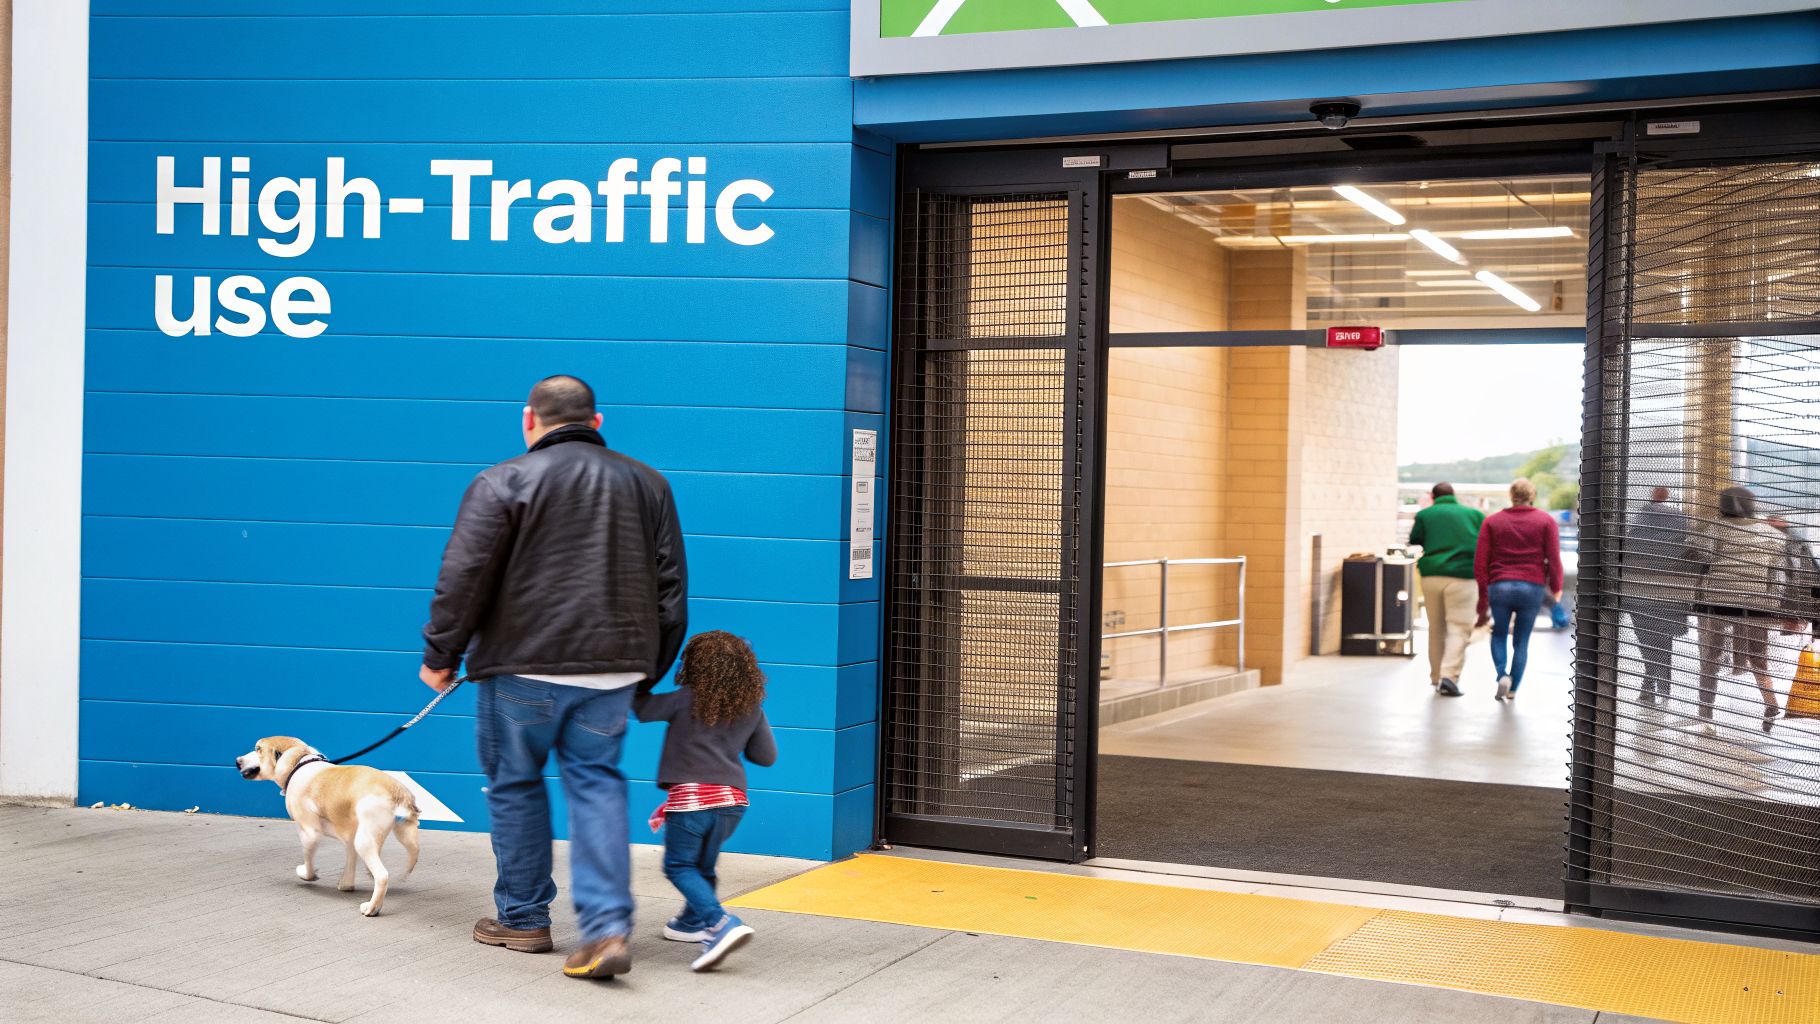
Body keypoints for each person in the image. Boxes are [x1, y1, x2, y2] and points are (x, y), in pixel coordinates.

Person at [420, 375, 688, 980]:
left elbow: (464, 575)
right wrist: (647, 672)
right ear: (596, 422)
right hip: (613, 671)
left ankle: (522, 919)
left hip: (521, 666)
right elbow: (670, 586)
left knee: (516, 786)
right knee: (597, 788)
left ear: (529, 420)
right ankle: (606, 929)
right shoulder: (649, 483)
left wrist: (442, 654)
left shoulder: (502, 480)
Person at [634, 631, 777, 972]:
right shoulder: (751, 708)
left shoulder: (684, 699)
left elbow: (639, 708)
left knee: (679, 866)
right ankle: (690, 922)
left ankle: (719, 922)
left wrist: (640, 677)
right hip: (732, 802)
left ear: (693, 666)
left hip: (692, 801)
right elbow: (766, 756)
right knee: (703, 867)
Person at [1684, 485, 1790, 734]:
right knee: (1758, 656)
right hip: (1756, 602)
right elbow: (1777, 570)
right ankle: (1770, 703)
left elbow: (1699, 555)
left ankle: (1705, 711)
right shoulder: (1773, 534)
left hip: (1719, 600)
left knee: (1711, 656)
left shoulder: (1717, 528)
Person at [1475, 478, 1565, 702]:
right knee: (1521, 641)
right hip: (1531, 586)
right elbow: (1554, 559)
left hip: (1500, 585)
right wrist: (1556, 588)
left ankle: (1501, 675)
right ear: (1532, 496)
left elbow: (1480, 562)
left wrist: (1483, 596)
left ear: (1511, 495)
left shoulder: (1492, 521)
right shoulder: (1546, 521)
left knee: (1498, 634)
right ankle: (1513, 688)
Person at [1409, 482, 1485, 697]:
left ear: (1433, 496)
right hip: (1464, 576)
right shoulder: (1474, 515)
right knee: (1458, 628)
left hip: (1432, 575)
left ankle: (1435, 676)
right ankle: (1448, 676)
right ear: (1454, 495)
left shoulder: (1425, 514)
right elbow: (1484, 542)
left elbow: (1415, 539)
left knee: (1436, 627)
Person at [1623, 486, 1694, 706]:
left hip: (1640, 592)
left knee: (1646, 639)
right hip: (1671, 592)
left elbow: (1628, 548)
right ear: (1667, 497)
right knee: (1665, 640)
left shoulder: (1640, 520)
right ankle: (1662, 685)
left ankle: (1650, 683)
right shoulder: (1680, 520)